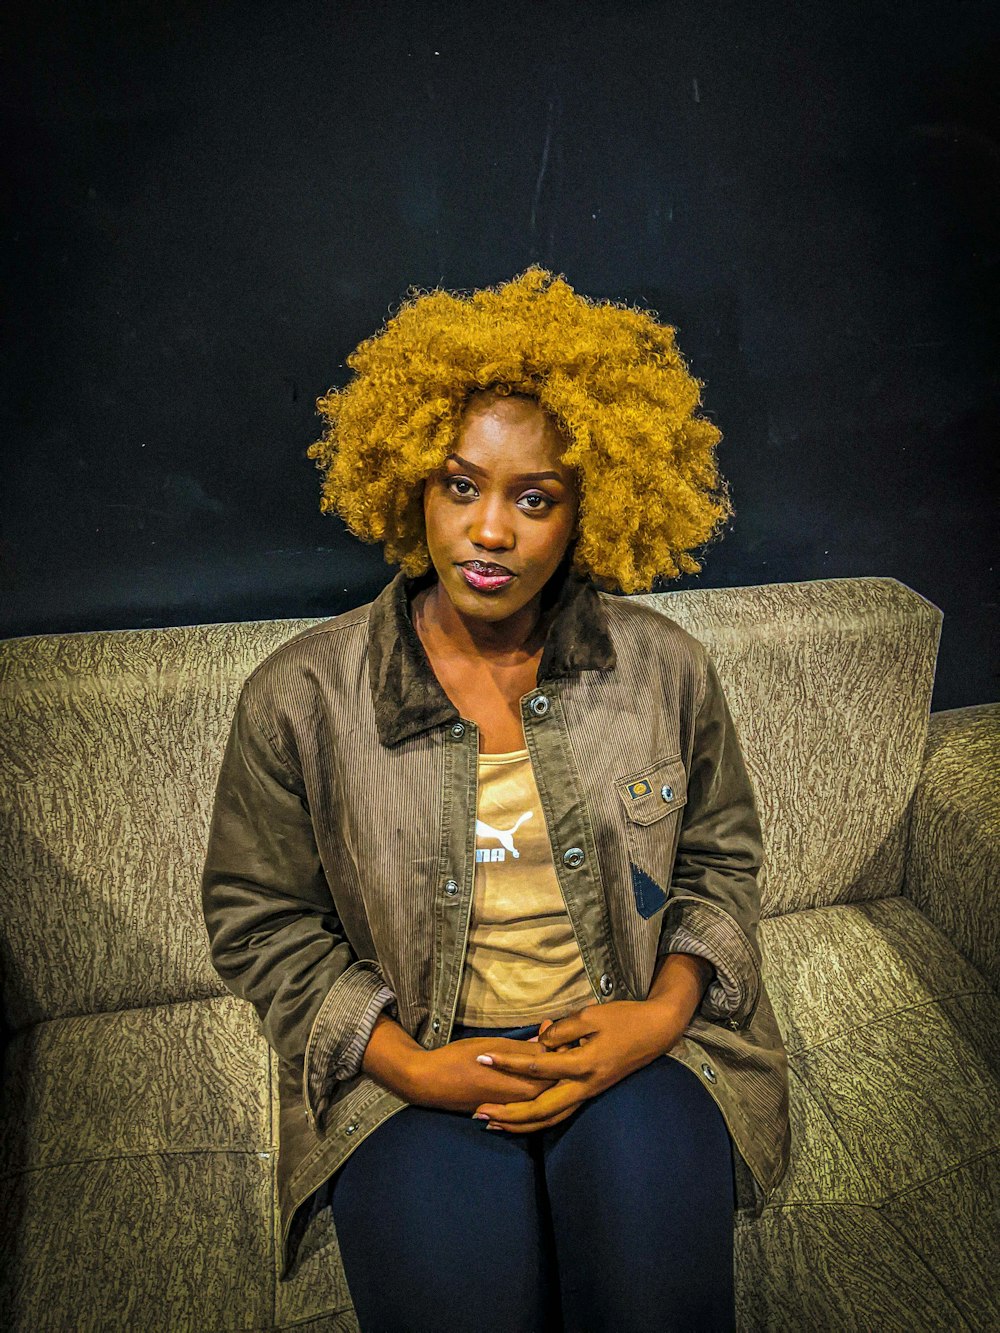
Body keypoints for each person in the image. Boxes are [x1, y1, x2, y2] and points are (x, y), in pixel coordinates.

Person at [201, 266, 791, 1332]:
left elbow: (719, 862)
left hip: (625, 1038)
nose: (488, 531)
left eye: (534, 497)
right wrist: (410, 1067)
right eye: (459, 485)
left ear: (590, 507)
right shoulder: (300, 696)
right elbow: (259, 922)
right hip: (415, 1059)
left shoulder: (664, 671)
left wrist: (655, 1019)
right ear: (408, 485)